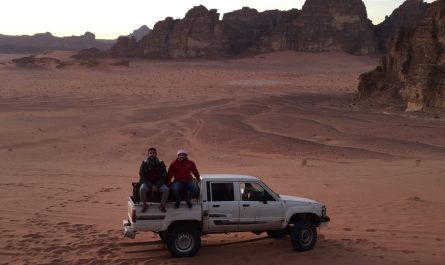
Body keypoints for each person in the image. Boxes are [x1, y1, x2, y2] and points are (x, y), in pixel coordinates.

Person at [139, 147, 169, 213]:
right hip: (148, 183)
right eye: (150, 153)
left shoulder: (161, 163)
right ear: (148, 154)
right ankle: (145, 205)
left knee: (166, 190)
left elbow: (164, 176)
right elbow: (142, 176)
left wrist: (157, 185)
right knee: (142, 189)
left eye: (153, 153)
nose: (152, 154)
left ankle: (162, 205)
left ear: (156, 154)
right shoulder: (144, 163)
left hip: (158, 183)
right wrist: (151, 186)